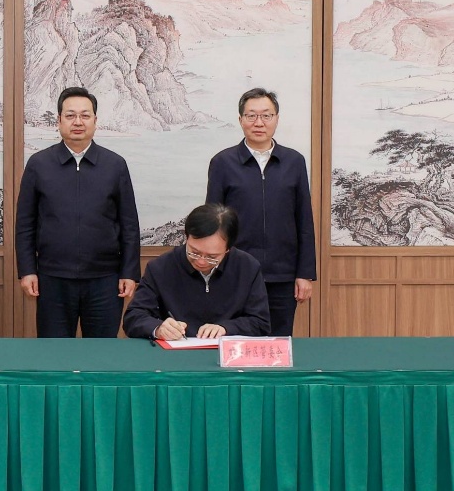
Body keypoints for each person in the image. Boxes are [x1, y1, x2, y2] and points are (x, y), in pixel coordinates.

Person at [16, 86, 140, 338]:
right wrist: (28, 270)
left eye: (85, 115)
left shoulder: (115, 164)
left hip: (105, 279)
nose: (78, 122)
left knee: (101, 352)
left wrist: (129, 272)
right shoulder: (39, 164)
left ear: (95, 120)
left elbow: (129, 224)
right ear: (59, 120)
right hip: (53, 278)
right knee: (55, 352)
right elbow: (25, 224)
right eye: (70, 115)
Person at [205, 87, 316, 336]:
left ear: (277, 119)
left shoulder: (294, 161)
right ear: (241, 119)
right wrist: (213, 269)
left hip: (283, 274)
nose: (259, 123)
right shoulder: (223, 162)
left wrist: (305, 274)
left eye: (266, 115)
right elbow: (212, 223)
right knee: (234, 339)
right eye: (251, 115)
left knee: (277, 342)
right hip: (234, 273)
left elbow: (304, 221)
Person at [123, 203, 270, 340]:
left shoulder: (247, 267)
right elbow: (133, 317)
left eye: (212, 257)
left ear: (228, 249)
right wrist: (158, 328)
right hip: (176, 352)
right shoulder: (161, 267)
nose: (201, 261)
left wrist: (227, 328)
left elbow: (261, 323)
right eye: (194, 252)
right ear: (186, 237)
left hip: (228, 354)